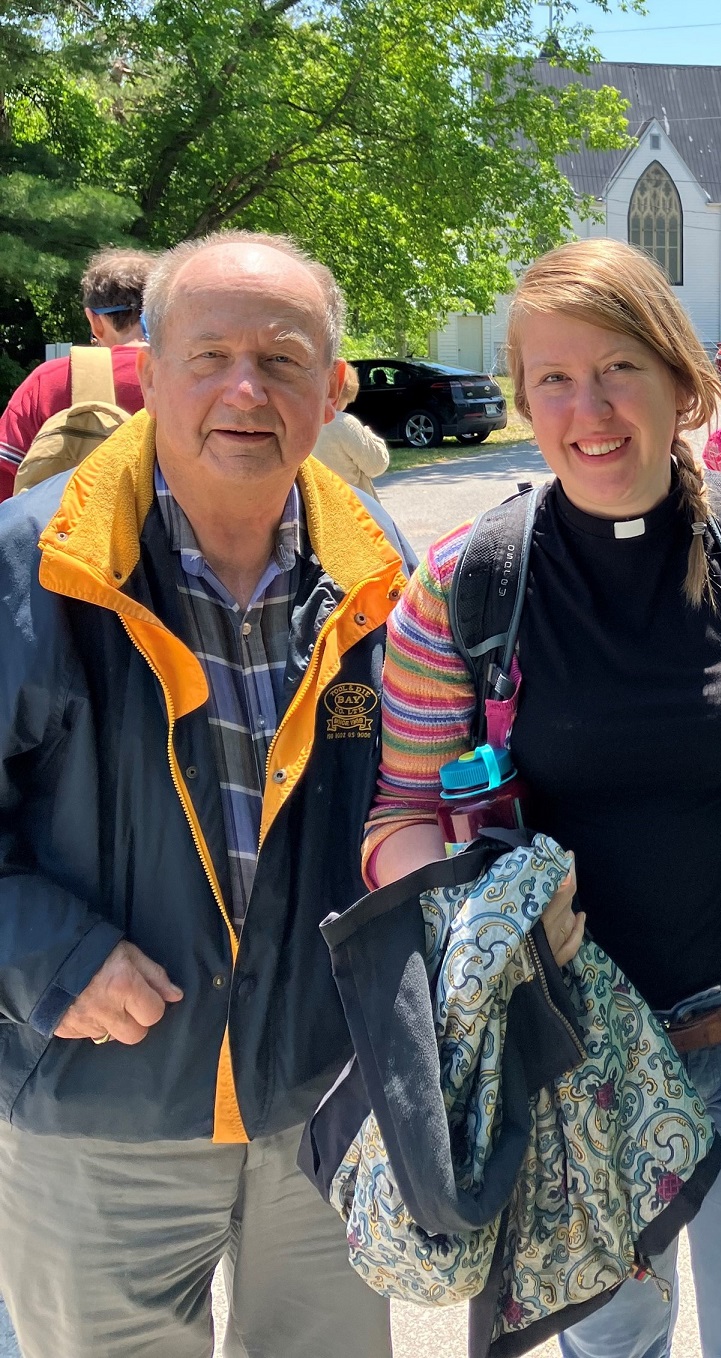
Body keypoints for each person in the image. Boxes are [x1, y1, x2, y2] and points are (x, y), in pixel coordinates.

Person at [364, 237, 721, 1358]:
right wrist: (493, 910)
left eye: (620, 369)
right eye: (554, 378)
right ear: (522, 399)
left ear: (681, 382)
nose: (590, 409)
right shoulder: (467, 584)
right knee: (610, 1346)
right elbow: (397, 818)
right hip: (571, 1060)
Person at [0, 229, 415, 1358]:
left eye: (282, 361)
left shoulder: (377, 563)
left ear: (332, 387)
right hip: (101, 1109)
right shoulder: (32, 562)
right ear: (149, 368)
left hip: (323, 1104)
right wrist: (51, 957)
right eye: (211, 356)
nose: (246, 390)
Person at [0, 246, 157, 500]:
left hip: (68, 522)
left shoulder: (48, 381)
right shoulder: (191, 373)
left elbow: (5, 480)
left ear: (94, 321)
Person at [311, 361, 389, 496]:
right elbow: (376, 465)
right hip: (351, 502)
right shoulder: (344, 423)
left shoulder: (302, 421)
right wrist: (372, 438)